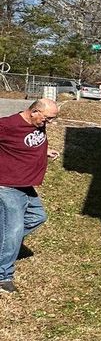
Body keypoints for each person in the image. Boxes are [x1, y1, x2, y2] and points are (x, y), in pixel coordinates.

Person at [0, 98, 60, 294]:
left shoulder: (37, 124)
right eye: (47, 118)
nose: (49, 123)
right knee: (13, 231)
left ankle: (6, 244)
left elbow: (31, 142)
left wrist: (45, 151)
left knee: (37, 217)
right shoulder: (8, 125)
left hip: (25, 185)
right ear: (34, 111)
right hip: (8, 185)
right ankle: (3, 276)